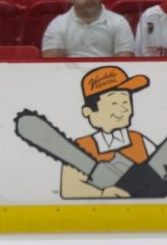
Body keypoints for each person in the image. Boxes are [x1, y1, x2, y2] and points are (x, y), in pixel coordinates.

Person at [61, 65, 154, 198]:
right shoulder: (82, 146)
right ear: (88, 111)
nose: (123, 109)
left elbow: (162, 173)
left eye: (125, 101)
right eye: (114, 103)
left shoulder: (139, 139)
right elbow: (69, 189)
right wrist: (101, 193)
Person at [42, 0, 135, 58]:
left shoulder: (118, 22)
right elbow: (53, 66)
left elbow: (125, 64)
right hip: (70, 75)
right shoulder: (58, 25)